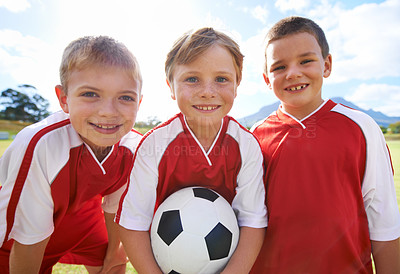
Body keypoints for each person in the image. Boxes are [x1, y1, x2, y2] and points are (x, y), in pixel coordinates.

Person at [250, 16, 400, 273]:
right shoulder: (254, 136)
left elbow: (384, 222)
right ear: (266, 79)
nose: (293, 73)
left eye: (306, 60)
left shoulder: (361, 127)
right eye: (279, 67)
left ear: (327, 65)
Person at [116, 27, 268, 273]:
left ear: (237, 84)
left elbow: (252, 221)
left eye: (221, 79)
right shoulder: (155, 145)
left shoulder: (246, 145)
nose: (207, 92)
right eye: (192, 79)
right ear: (171, 86)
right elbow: (133, 223)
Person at [0, 35, 143, 273]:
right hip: (18, 228)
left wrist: (113, 258)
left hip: (79, 213)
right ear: (64, 99)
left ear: (139, 102)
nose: (108, 112)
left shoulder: (134, 147)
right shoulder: (41, 144)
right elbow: (27, 242)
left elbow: (115, 211)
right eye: (90, 94)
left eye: (125, 97)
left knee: (113, 253)